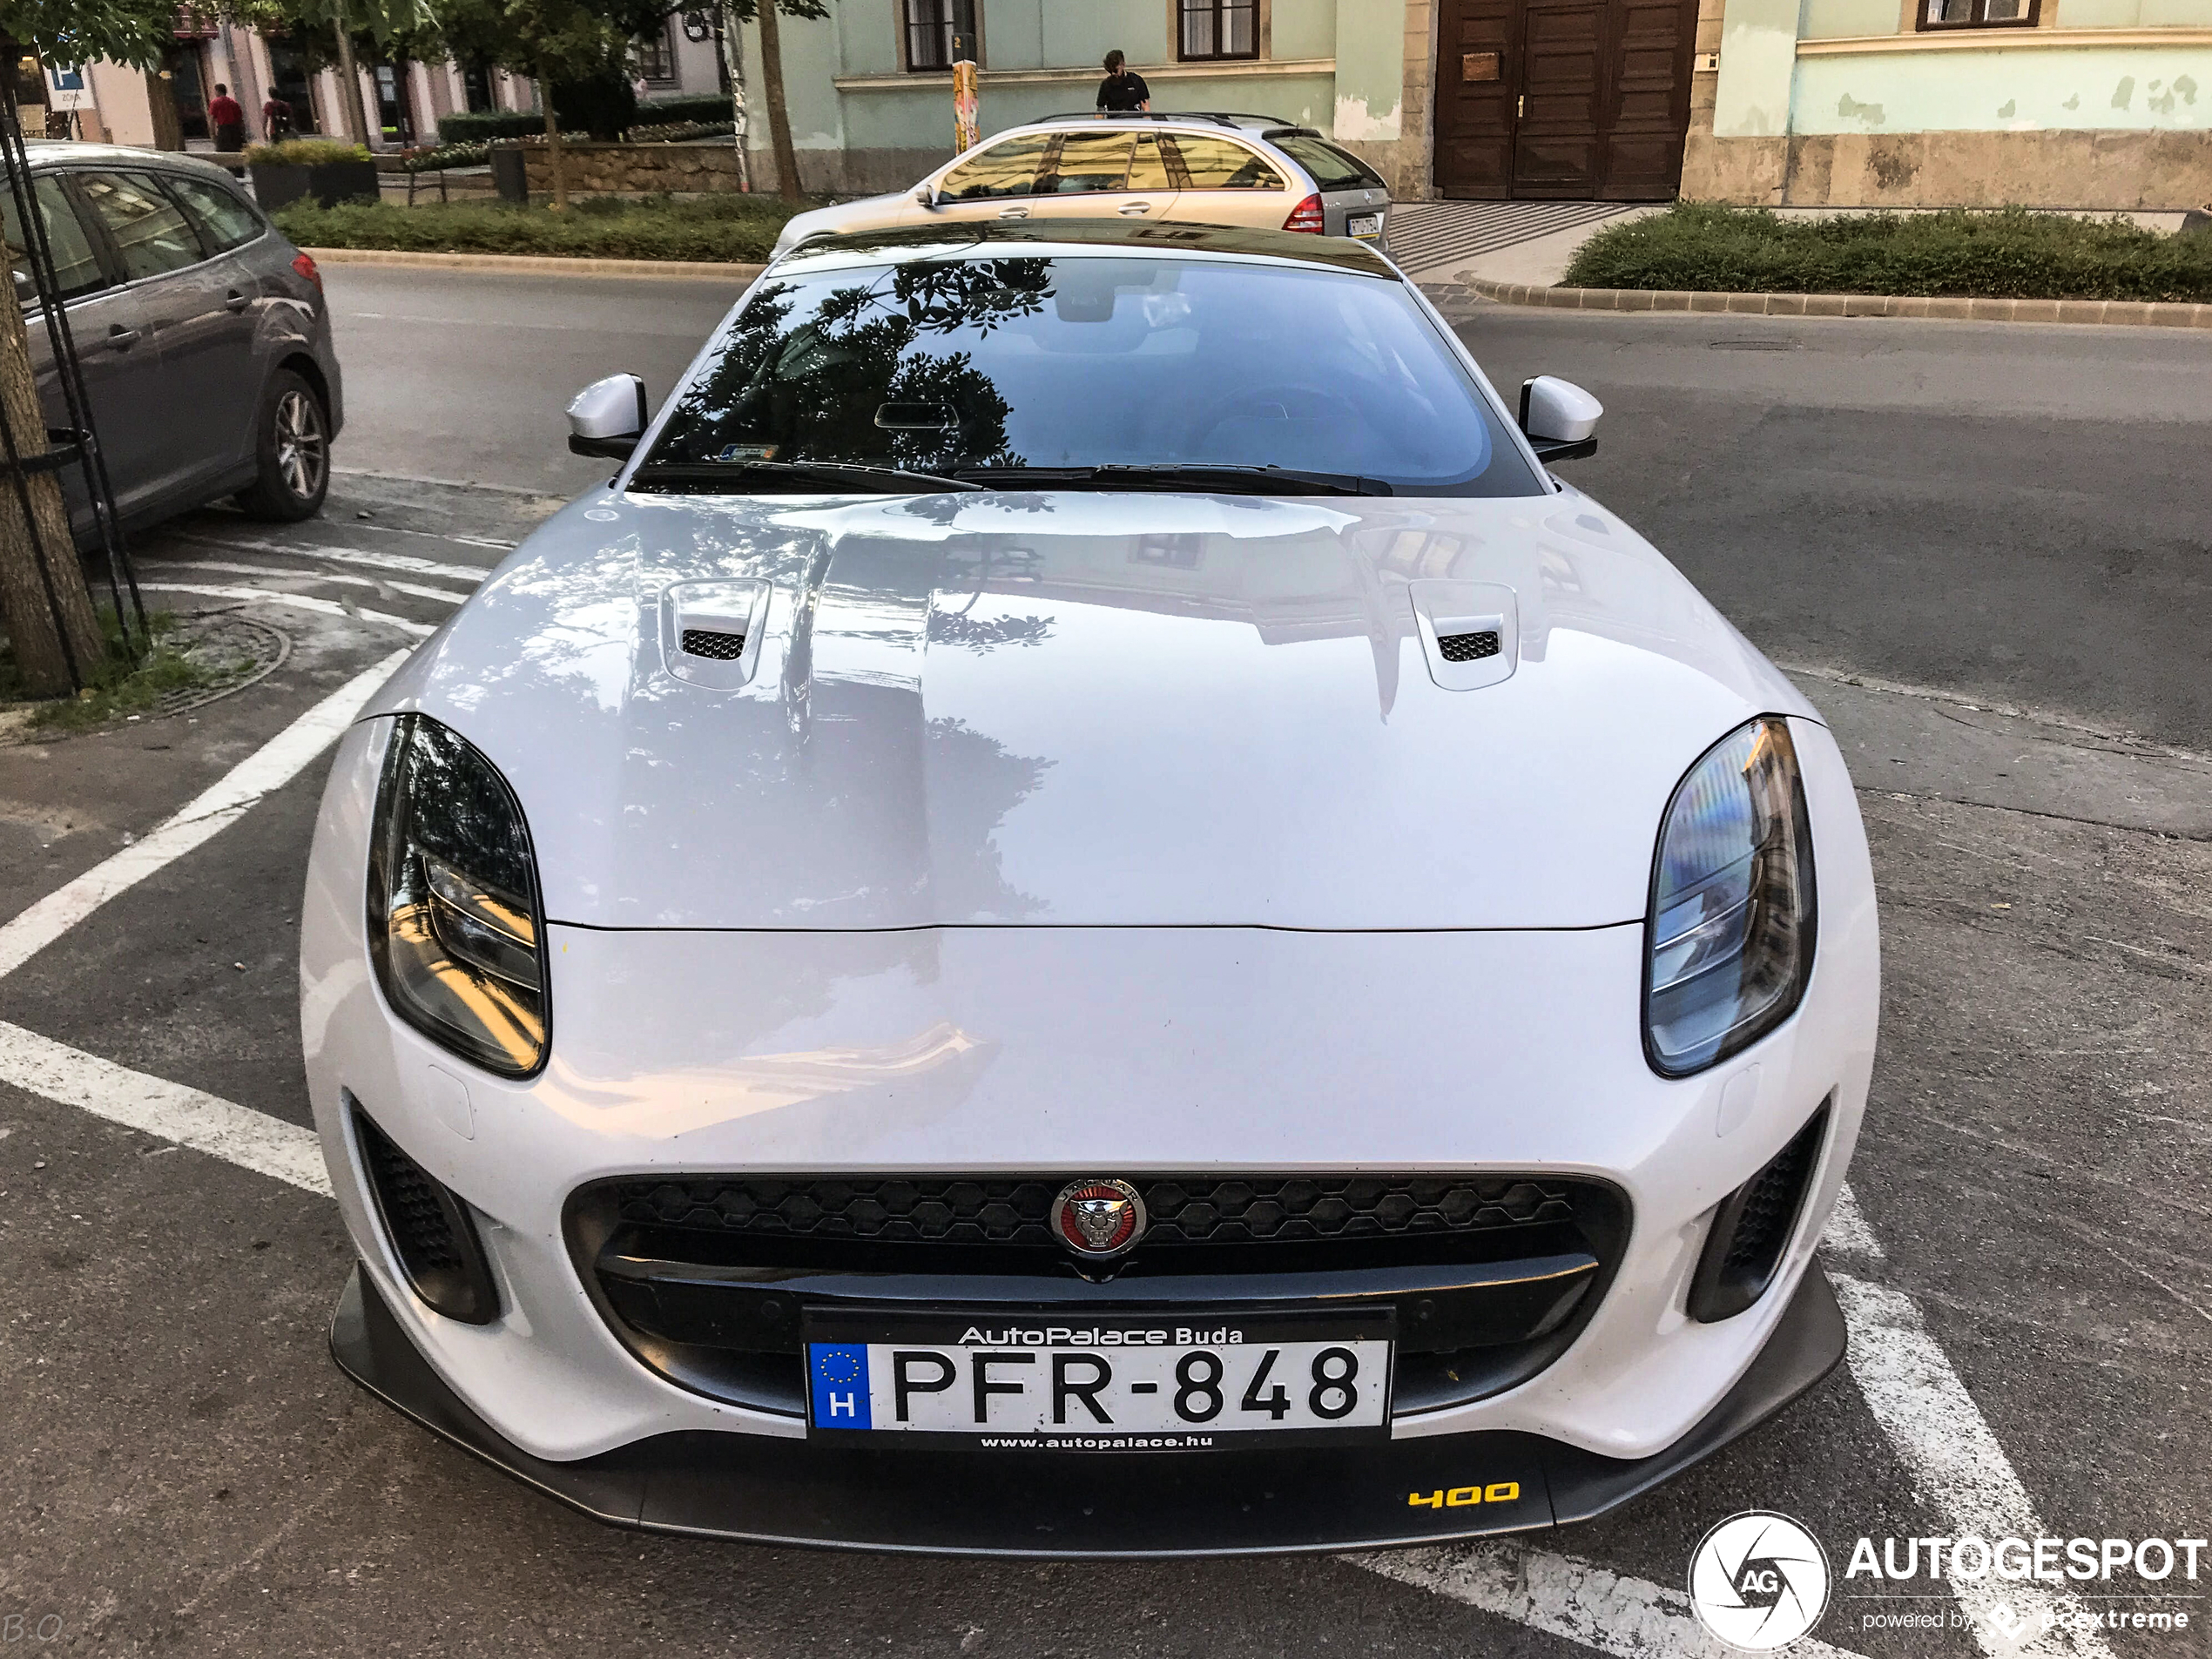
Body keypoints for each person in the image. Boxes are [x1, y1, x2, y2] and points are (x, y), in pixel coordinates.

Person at [1095, 51, 1149, 115]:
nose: (1113, 73)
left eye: (1115, 70)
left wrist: (1147, 121)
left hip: (1135, 120)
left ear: (1123, 65)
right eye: (1110, 71)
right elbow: (1100, 111)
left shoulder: (1136, 81)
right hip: (1114, 122)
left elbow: (1146, 107)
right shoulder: (1106, 85)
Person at [208, 83, 246, 152]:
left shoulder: (215, 102)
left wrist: (212, 133)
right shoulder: (234, 103)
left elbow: (212, 119)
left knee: (222, 151)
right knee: (236, 150)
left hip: (223, 129)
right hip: (235, 130)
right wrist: (243, 132)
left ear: (218, 91)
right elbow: (240, 119)